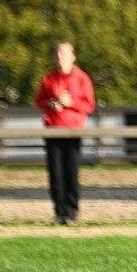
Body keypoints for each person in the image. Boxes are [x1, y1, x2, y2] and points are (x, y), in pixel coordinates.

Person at [34, 42, 95, 225]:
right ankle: (59, 212)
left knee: (71, 171)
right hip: (53, 130)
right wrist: (50, 104)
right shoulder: (49, 79)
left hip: (73, 130)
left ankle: (72, 211)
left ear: (73, 57)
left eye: (64, 54)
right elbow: (39, 101)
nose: (61, 57)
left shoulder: (82, 78)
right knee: (55, 173)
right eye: (58, 54)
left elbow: (89, 105)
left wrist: (71, 103)